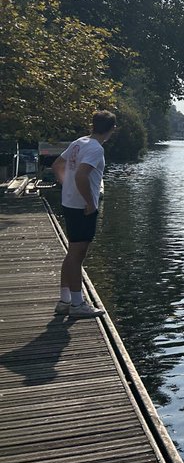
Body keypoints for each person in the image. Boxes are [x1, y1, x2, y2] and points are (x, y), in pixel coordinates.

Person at [52, 109, 117, 317]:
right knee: (77, 255)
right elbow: (82, 175)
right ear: (111, 129)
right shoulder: (96, 148)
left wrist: (67, 186)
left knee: (72, 252)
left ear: (93, 125)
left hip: (69, 202)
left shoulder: (79, 142)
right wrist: (89, 202)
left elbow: (57, 165)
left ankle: (65, 301)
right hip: (82, 207)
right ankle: (78, 304)